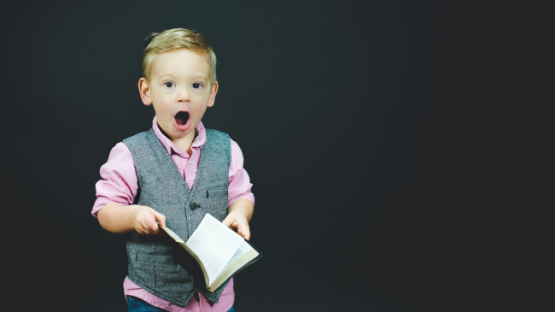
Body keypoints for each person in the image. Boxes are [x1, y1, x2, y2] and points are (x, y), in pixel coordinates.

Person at [91, 28, 254, 312]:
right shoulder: (129, 154)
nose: (183, 96)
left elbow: (241, 194)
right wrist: (132, 214)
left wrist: (240, 212)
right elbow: (105, 210)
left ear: (212, 93)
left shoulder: (227, 148)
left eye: (196, 85)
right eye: (169, 84)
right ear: (146, 91)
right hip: (154, 297)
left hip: (215, 297)